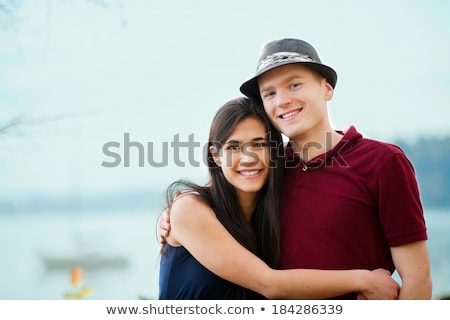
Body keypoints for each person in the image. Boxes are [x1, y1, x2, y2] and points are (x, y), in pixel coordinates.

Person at [159, 38, 432, 299]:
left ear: (326, 89)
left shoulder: (382, 162)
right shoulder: (271, 169)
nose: (282, 101)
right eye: (270, 93)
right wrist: (172, 216)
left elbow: (417, 281)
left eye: (295, 85)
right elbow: (217, 203)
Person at [159, 96, 399, 299]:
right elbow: (269, 284)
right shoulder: (190, 209)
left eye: (258, 144)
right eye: (233, 147)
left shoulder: (274, 211)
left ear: (275, 151)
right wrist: (365, 280)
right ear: (216, 156)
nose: (248, 157)